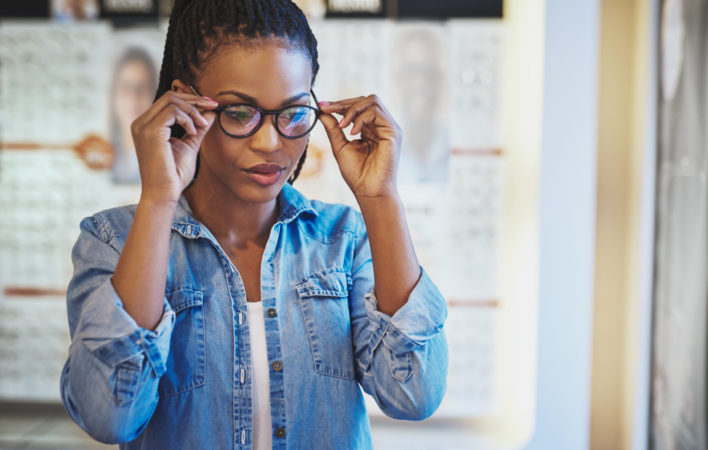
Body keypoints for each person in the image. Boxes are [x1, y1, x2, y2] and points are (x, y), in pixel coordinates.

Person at [59, 1, 448, 448]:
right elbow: (110, 417)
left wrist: (381, 199)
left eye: (294, 113)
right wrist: (158, 199)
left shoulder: (344, 241)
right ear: (184, 102)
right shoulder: (112, 242)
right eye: (239, 113)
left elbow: (414, 393)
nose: (271, 142)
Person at [109, 47, 158, 183]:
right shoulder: (103, 156)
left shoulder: (164, 158)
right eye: (125, 87)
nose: (133, 98)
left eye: (142, 88)